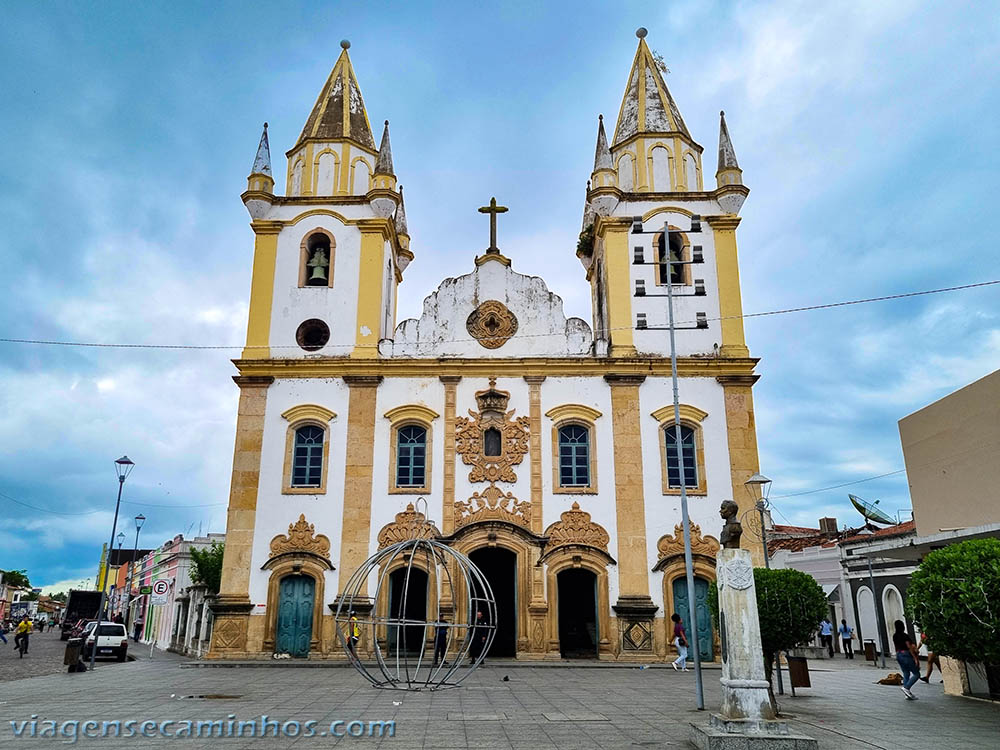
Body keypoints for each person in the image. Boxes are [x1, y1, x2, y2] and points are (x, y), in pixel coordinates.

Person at [893, 620, 920, 699]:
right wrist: (915, 658)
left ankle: (906, 694)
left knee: (906, 673)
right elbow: (909, 646)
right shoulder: (904, 636)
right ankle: (906, 688)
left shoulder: (895, 636)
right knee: (916, 674)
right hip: (906, 654)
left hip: (899, 654)